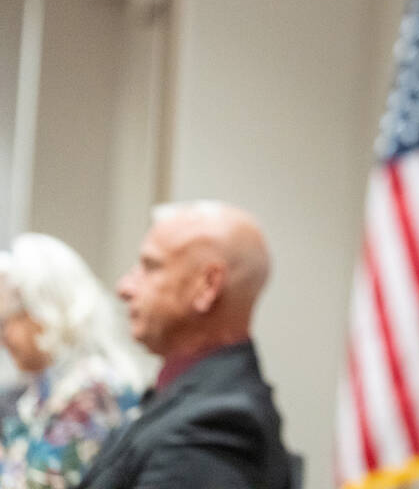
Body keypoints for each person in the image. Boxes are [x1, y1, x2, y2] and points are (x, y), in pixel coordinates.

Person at [77, 200, 292, 489]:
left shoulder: (217, 423)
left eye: (150, 267)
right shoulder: (189, 395)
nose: (124, 287)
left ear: (207, 286)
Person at [0, 234, 143, 489]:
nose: (3, 337)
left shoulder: (92, 387)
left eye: (5, 322)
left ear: (42, 310)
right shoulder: (46, 386)